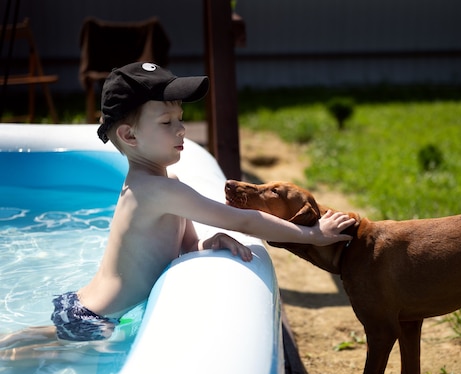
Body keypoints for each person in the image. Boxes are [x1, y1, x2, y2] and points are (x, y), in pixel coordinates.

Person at [0, 62, 355, 356]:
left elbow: (183, 245)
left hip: (85, 307)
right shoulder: (157, 190)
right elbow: (244, 219)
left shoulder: (160, 185)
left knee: (24, 349)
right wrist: (312, 234)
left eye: (181, 118)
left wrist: (207, 243)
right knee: (15, 358)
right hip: (94, 320)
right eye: (167, 123)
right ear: (130, 136)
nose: (182, 128)